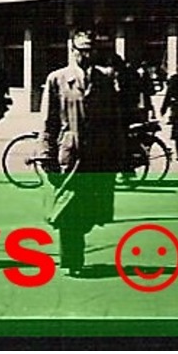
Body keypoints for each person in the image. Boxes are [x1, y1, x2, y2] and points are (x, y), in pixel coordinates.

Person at [42, 30, 127, 278]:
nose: (86, 55)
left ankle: (74, 252)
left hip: (98, 155)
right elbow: (48, 121)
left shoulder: (104, 80)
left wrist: (120, 156)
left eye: (91, 50)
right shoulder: (57, 79)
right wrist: (46, 152)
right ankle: (72, 258)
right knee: (68, 209)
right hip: (70, 152)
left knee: (90, 210)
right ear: (72, 51)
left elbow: (115, 120)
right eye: (81, 50)